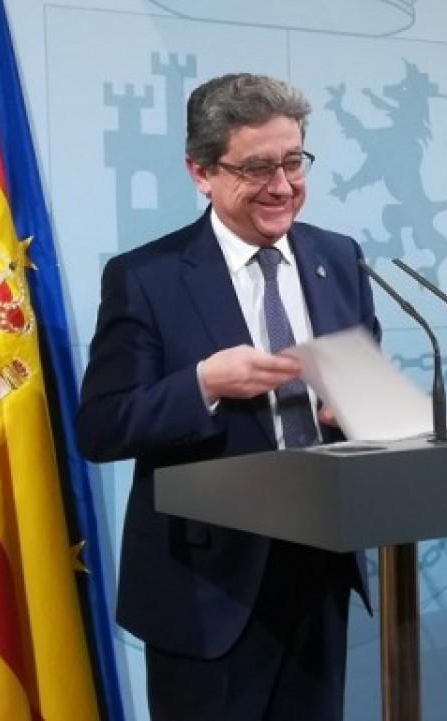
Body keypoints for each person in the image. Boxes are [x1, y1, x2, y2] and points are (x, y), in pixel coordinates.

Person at [75, 73, 379, 721]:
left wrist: (353, 409)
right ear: (201, 171)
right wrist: (203, 385)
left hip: (320, 570)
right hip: (208, 590)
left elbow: (362, 386)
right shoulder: (147, 277)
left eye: (294, 161)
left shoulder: (339, 259)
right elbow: (102, 426)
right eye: (258, 167)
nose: (282, 186)